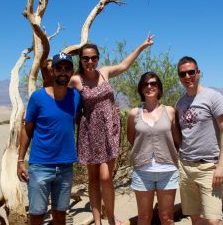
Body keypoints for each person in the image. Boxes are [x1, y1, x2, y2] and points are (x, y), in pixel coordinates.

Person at [69, 33, 154, 225]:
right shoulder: (76, 80)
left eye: (93, 58)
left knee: (106, 178)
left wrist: (141, 47)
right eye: (85, 58)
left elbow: (124, 65)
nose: (90, 61)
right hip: (89, 131)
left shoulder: (104, 72)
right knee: (92, 180)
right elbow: (57, 86)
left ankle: (111, 219)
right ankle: (98, 221)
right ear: (80, 60)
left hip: (110, 129)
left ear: (97, 58)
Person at [17, 53, 81, 225]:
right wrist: (20, 160)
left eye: (67, 69)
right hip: (40, 166)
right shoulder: (38, 98)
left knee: (60, 215)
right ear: (52, 71)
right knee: (37, 214)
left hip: (66, 166)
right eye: (59, 68)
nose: (63, 72)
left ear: (72, 72)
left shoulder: (76, 97)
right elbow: (27, 129)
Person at [175, 56, 223, 225]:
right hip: (186, 166)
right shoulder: (180, 102)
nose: (187, 77)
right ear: (179, 77)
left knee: (213, 220)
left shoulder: (213, 97)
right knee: (195, 218)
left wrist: (222, 164)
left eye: (191, 72)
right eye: (183, 74)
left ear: (199, 73)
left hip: (209, 167)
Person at [127, 72, 180, 225]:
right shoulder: (133, 114)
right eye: (146, 84)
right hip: (143, 172)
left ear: (159, 87)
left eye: (153, 83)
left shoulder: (169, 111)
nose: (149, 86)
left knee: (167, 217)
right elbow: (133, 139)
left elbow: (176, 140)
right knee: (144, 218)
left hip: (167, 172)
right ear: (141, 88)